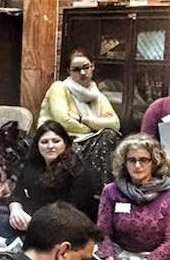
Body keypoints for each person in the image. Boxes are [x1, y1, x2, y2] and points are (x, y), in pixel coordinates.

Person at [92, 134, 170, 260]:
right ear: (124, 163)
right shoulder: (111, 191)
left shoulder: (167, 194)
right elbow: (103, 233)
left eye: (144, 160)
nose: (138, 165)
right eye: (132, 160)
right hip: (119, 255)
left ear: (154, 163)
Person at [38, 48, 121, 183]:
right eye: (76, 70)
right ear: (68, 71)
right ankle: (100, 189)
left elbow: (115, 123)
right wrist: (94, 128)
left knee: (110, 136)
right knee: (104, 138)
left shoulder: (96, 95)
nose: (82, 73)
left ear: (92, 66)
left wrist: (84, 119)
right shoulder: (59, 88)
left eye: (86, 67)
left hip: (91, 142)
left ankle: (105, 191)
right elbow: (64, 122)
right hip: (61, 140)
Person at [9, 121, 100, 232]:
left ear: (65, 143)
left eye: (56, 141)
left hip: (67, 224)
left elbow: (73, 211)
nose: (50, 146)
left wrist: (35, 224)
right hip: (33, 217)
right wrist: (16, 209)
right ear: (37, 145)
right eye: (44, 142)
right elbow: (17, 192)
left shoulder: (77, 169)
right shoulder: (32, 164)